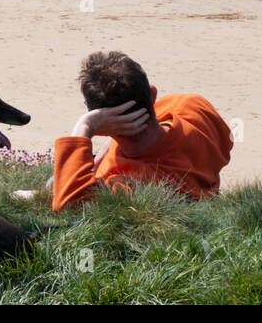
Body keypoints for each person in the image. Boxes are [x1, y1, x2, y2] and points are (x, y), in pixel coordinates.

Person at [50, 51, 233, 211]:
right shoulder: (193, 107)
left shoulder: (134, 183)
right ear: (152, 95)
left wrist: (85, 125)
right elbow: (228, 141)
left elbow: (67, 204)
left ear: (98, 115)